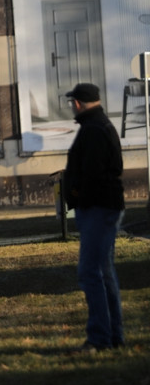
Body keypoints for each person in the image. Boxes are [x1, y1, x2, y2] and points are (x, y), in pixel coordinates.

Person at [61, 82, 125, 353]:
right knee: (104, 272)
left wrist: (76, 195)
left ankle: (99, 337)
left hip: (97, 207)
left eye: (72, 102)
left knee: (91, 272)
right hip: (103, 205)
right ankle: (113, 336)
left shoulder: (93, 130)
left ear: (77, 103)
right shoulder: (99, 126)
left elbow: (92, 174)